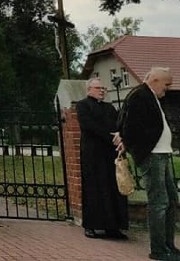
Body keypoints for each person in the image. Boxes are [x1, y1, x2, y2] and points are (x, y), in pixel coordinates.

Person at [119, 67, 180, 261]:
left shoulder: (150, 96)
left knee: (171, 200)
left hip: (162, 154)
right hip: (152, 155)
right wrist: (138, 148)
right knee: (159, 202)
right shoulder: (139, 95)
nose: (167, 89)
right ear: (156, 80)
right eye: (166, 85)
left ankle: (169, 245)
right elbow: (127, 125)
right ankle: (159, 249)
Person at [77, 78, 128, 240]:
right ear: (89, 89)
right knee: (93, 188)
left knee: (112, 189)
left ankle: (112, 227)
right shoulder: (83, 105)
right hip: (93, 153)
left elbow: (118, 124)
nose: (102, 91)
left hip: (109, 153)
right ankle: (91, 225)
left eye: (103, 88)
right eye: (98, 88)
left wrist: (119, 136)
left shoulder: (109, 107)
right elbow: (88, 125)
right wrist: (109, 136)